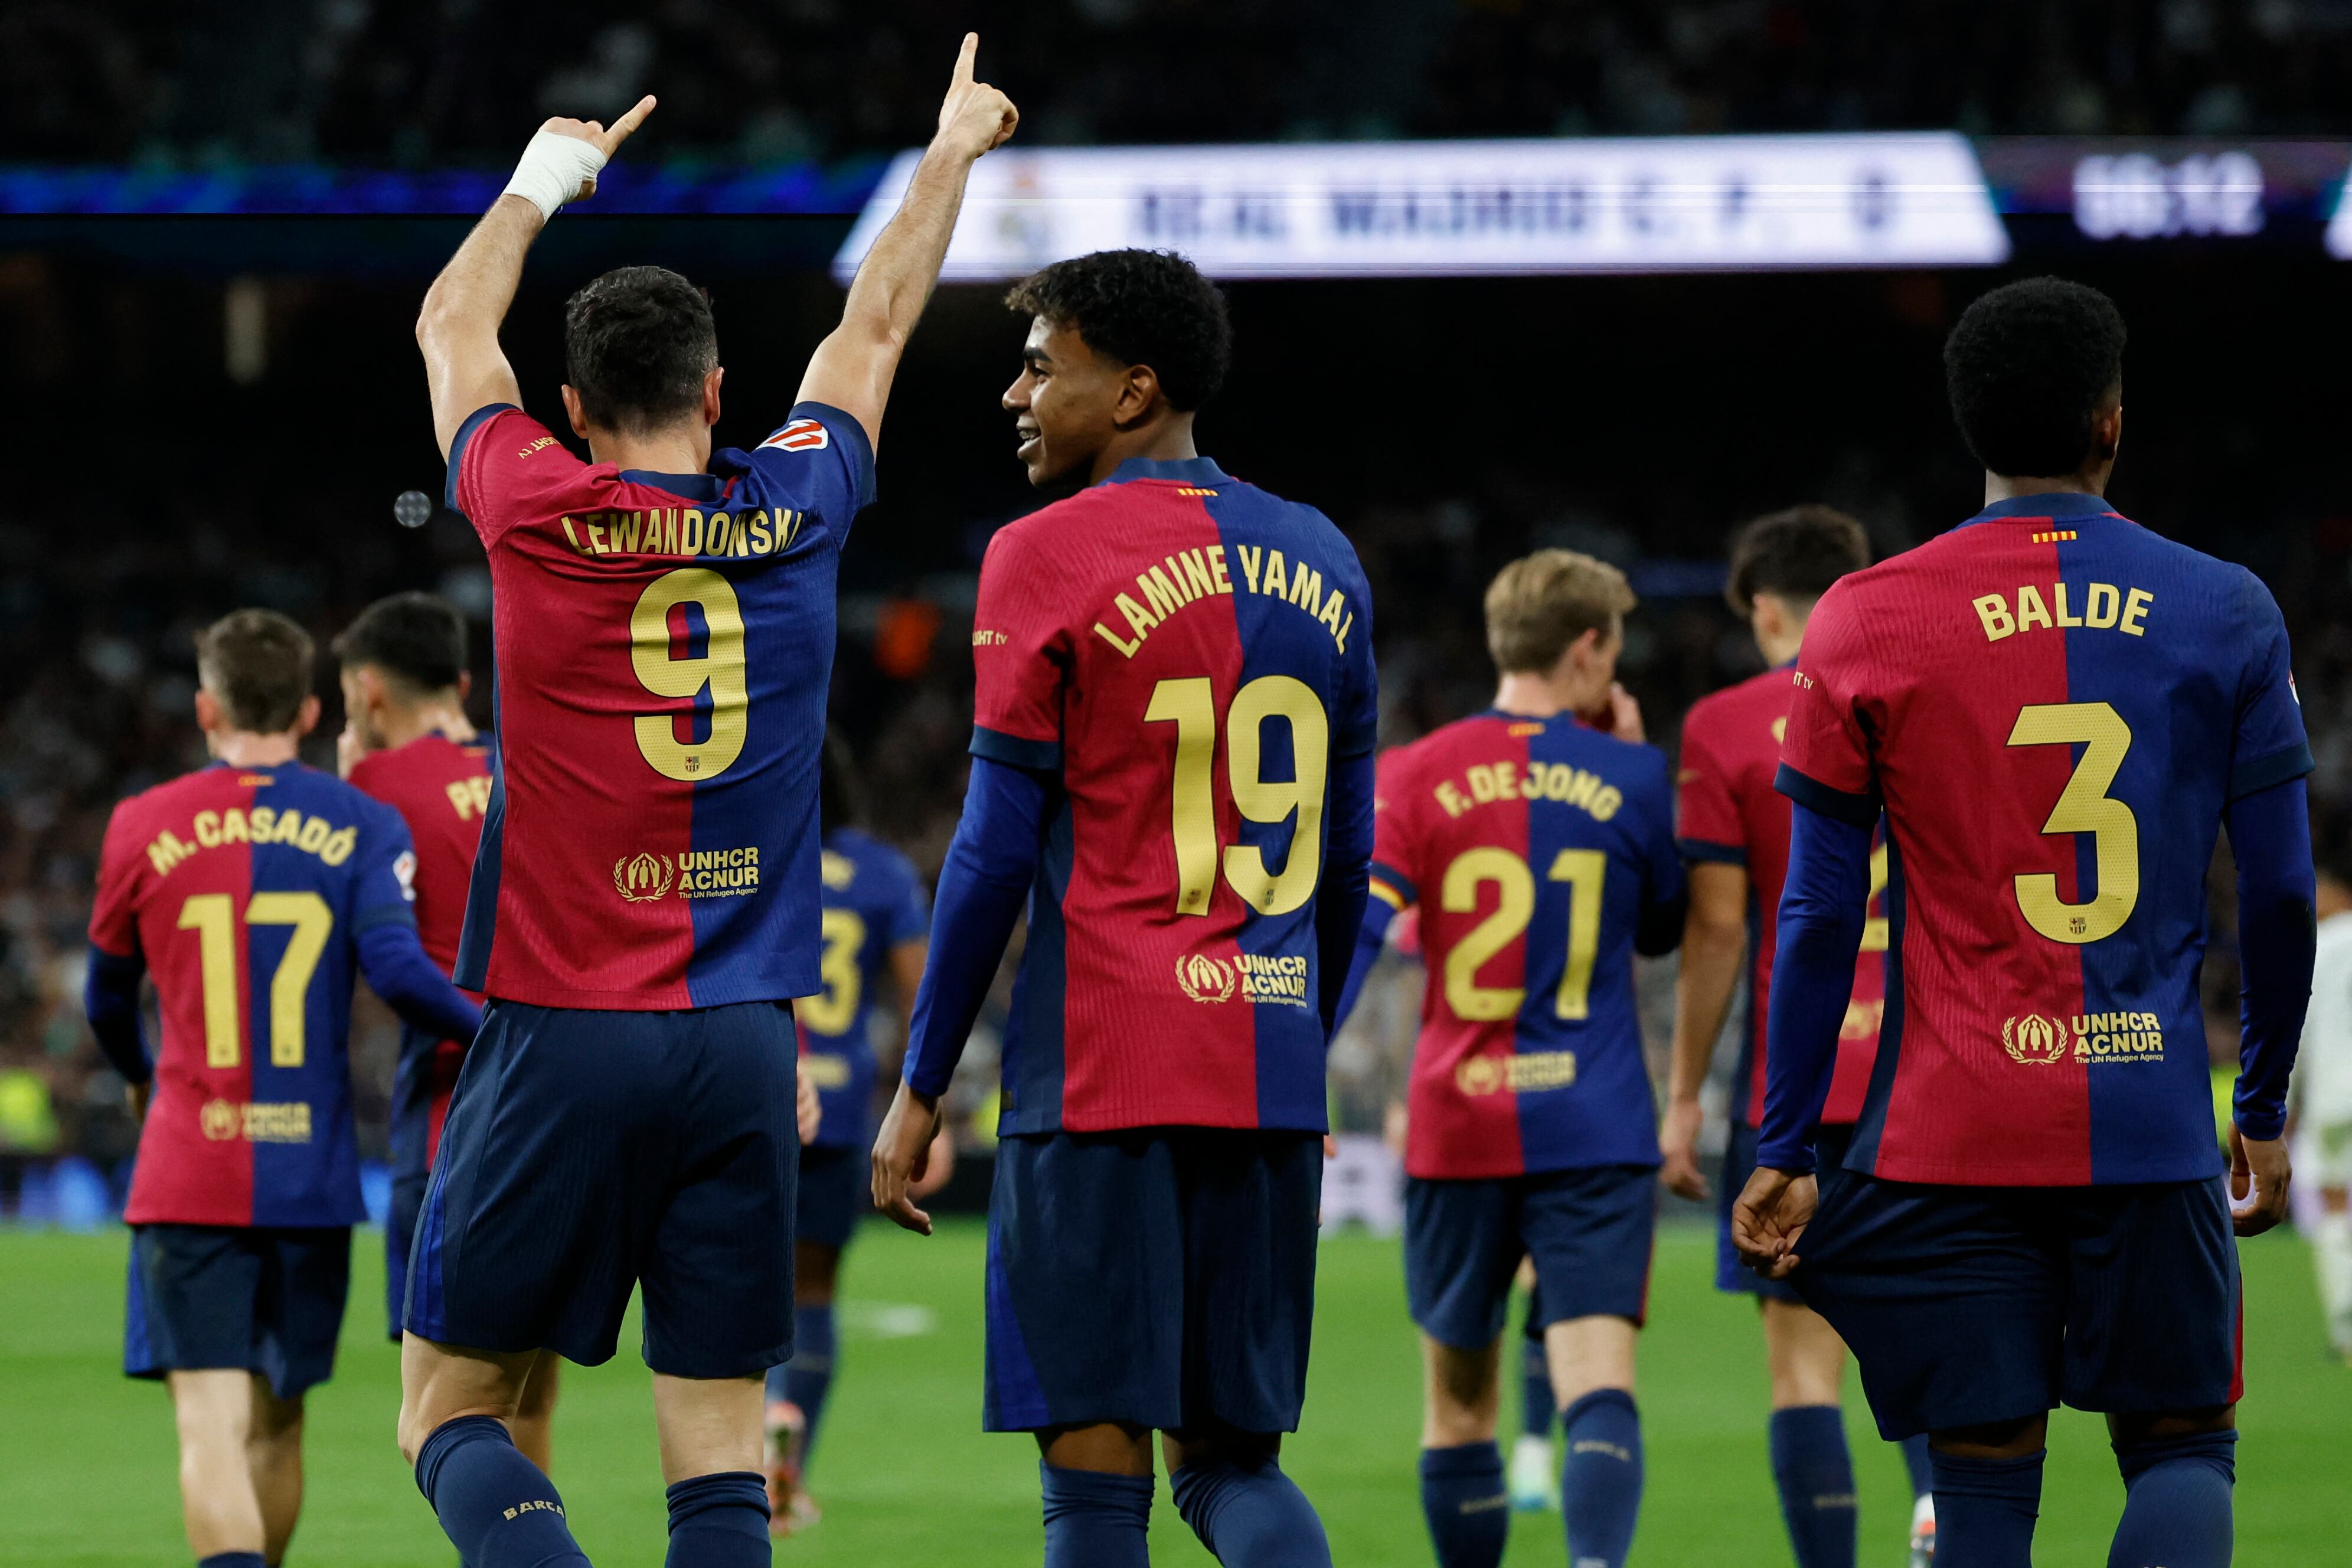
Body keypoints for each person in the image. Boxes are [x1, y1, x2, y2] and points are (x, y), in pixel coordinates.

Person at [399, 37, 1016, 1568]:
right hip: (751, 1042)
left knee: (448, 1414)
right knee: (722, 1452)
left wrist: (547, 178)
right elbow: (876, 322)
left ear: (569, 405)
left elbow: (446, 316)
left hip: (562, 1023)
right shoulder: (800, 499)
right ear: (721, 391)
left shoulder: (535, 503)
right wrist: (948, 154)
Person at [1733, 276, 2315, 1568]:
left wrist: (1782, 1136)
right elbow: (2278, 892)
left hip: (1950, 1132)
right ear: (2113, 421)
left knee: (1984, 1476)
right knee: (2178, 1443)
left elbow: (1821, 908)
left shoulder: (1866, 616)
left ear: (1971, 428)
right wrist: (2263, 1105)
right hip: (2152, 1117)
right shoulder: (2228, 607)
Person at [871, 247, 1378, 1568]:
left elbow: (990, 850)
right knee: (1230, 1467)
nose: (1013, 394)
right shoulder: (1326, 555)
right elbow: (1347, 868)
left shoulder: (1040, 553)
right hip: (1264, 1070)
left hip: (1101, 1075)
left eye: (1043, 366)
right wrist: (1299, 1049)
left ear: (1134, 389)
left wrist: (923, 1080)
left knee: (1096, 1489)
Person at [84, 609, 482, 1568]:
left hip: (188, 1165)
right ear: (311, 709)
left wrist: (140, 1076)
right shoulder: (362, 822)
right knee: (280, 1426)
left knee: (209, 1426)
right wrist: (505, 1033)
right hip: (308, 1174)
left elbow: (104, 997)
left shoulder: (141, 824)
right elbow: (397, 971)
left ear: (205, 706)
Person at [1331, 549, 1686, 1568]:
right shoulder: (1631, 774)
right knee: (1597, 1384)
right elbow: (1662, 926)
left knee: (1456, 1408)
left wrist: (1298, 1063)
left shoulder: (1413, 772)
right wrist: (1625, 759)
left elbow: (1360, 932)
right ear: (1586, 648)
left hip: (1457, 1120)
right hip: (1595, 1118)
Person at [1662, 505, 1936, 1567]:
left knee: (1799, 1369)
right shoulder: (1924, 692)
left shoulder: (1725, 724)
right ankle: (1933, 1511)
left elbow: (1720, 927)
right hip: (1917, 1074)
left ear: (1763, 607)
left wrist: (1684, 1091)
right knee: (1927, 1333)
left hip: (1796, 1085)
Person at [331, 591, 566, 1467]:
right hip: (561, 1113)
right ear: (463, 682)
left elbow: (387, 964)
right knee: (531, 1398)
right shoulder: (538, 761)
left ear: (366, 691)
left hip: (450, 1118)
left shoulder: (372, 790)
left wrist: (350, 776)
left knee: (437, 1419)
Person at [763, 731, 942, 1533]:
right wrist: (929, 1106)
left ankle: (739, 1453)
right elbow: (921, 997)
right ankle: (789, 1467)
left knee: (736, 1284)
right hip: (836, 1116)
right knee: (813, 1294)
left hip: (757, 1094)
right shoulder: (882, 873)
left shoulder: (753, 858)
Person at [2290, 840, 2352, 1363]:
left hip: (2336, 1096)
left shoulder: (2322, 946)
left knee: (2336, 1205)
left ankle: (2346, 1327)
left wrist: (2280, 1105)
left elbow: (2297, 1032)